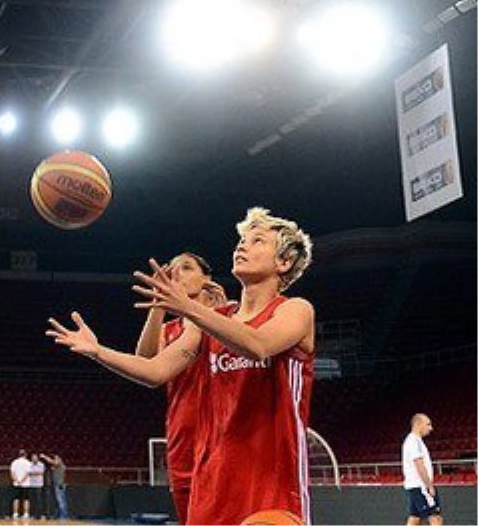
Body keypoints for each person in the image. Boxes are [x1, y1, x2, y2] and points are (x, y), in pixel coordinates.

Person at [47, 207, 314, 526]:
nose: (242, 245)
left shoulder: (296, 310)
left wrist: (189, 306)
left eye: (257, 241)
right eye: (241, 240)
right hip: (212, 479)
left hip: (272, 479)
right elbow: (155, 371)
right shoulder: (211, 323)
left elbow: (259, 345)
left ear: (283, 262)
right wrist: (98, 351)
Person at [133, 252, 226, 524]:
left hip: (224, 434)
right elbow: (145, 362)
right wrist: (157, 306)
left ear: (207, 279)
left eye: (186, 268)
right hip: (182, 436)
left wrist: (213, 313)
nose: (176, 274)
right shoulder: (170, 329)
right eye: (172, 270)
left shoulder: (229, 315)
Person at [403, 413, 444, 526]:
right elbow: (419, 465)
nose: (431, 428)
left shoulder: (415, 441)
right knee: (436, 518)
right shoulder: (414, 442)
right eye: (428, 424)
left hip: (415, 486)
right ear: (418, 424)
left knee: (415, 519)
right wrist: (429, 485)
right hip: (421, 486)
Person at [40, 454, 67, 520]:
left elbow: (53, 462)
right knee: (58, 501)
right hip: (56, 484)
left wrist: (44, 456)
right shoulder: (57, 466)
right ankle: (58, 515)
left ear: (60, 459)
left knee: (60, 500)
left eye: (56, 458)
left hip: (59, 485)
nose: (55, 459)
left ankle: (63, 516)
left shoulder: (60, 464)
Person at [9, 449, 32, 520]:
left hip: (16, 484)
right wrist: (22, 481)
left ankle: (15, 513)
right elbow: (28, 473)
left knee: (16, 499)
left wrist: (17, 481)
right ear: (25, 455)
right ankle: (26, 514)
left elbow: (12, 473)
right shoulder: (28, 463)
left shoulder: (14, 462)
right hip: (26, 484)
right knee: (26, 499)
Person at [27, 453, 46, 519]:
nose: (34, 459)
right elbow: (28, 472)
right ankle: (32, 515)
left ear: (37, 458)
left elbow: (41, 472)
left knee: (39, 500)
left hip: (38, 485)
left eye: (35, 457)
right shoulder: (29, 464)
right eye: (33, 457)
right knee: (32, 501)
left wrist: (32, 473)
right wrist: (35, 473)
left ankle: (39, 515)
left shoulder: (41, 464)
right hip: (31, 484)